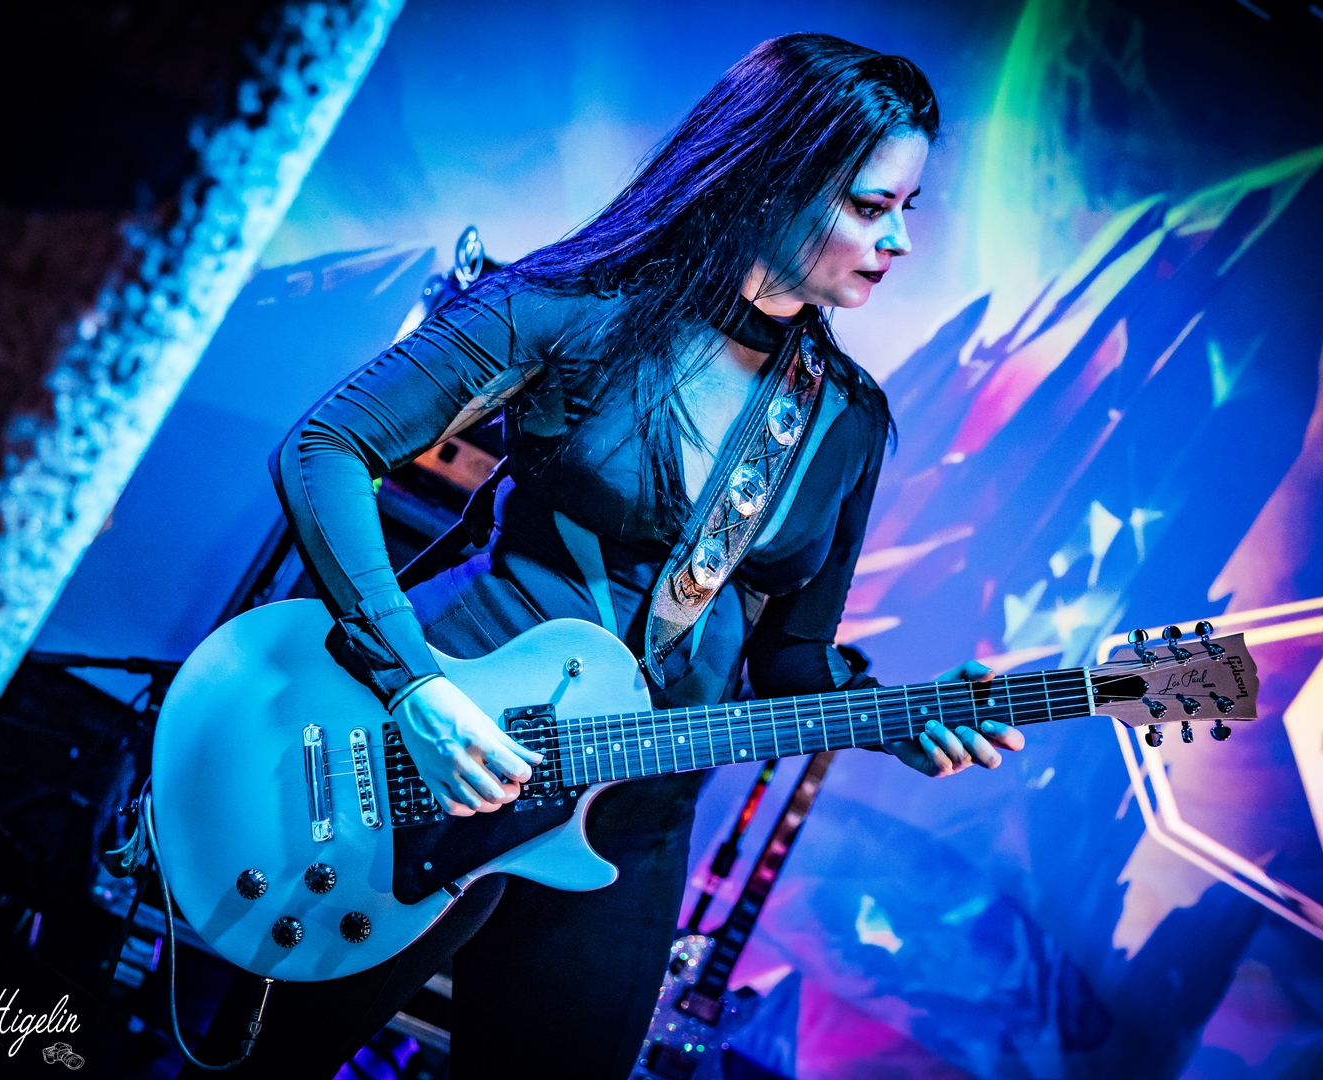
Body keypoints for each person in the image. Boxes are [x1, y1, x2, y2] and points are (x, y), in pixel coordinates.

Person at [186, 31, 1024, 1080]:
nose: (897, 239)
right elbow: (326, 447)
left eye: (908, 209)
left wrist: (899, 718)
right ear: (774, 176)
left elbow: (790, 662)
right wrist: (413, 687)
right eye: (869, 205)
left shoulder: (845, 419)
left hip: (628, 822)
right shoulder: (576, 307)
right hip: (435, 757)